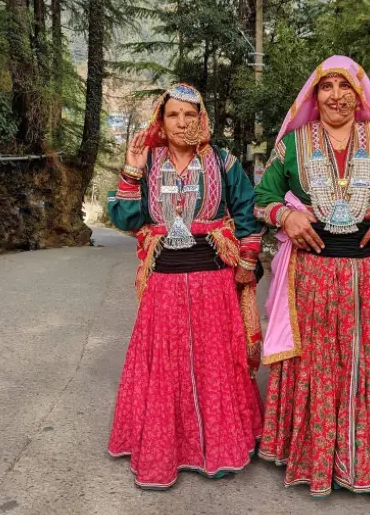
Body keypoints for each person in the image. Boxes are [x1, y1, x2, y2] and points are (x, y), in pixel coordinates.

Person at [254, 56, 370, 502]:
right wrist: (286, 216)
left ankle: (366, 464)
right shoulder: (293, 145)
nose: (335, 96)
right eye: (326, 87)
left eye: (344, 86)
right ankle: (315, 462)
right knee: (316, 365)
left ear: (359, 94)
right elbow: (262, 197)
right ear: (315, 96)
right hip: (312, 275)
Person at [107, 83, 264, 489]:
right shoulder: (148, 161)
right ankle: (167, 451)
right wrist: (131, 170)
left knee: (216, 365)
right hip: (163, 282)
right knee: (165, 367)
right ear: (161, 120)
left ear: (201, 118)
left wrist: (247, 262)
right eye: (173, 115)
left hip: (214, 281)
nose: (181, 123)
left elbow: (247, 212)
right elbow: (126, 219)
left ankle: (220, 449)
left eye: (189, 114)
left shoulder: (224, 162)